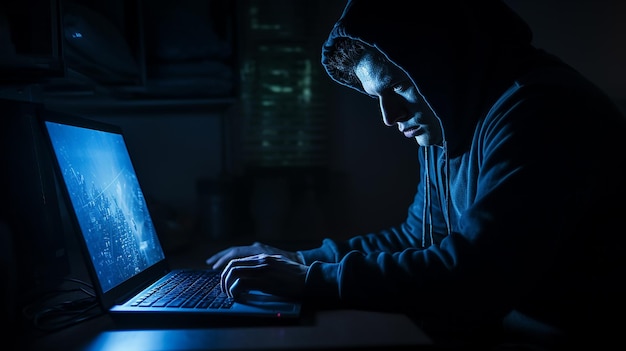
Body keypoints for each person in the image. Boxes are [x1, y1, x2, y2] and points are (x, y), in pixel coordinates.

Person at [206, 0, 626, 349]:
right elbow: (414, 239)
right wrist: (297, 259)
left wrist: (314, 280)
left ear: (447, 59)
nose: (390, 117)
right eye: (378, 99)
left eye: (400, 87)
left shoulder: (540, 110)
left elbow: (477, 275)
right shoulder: (450, 122)